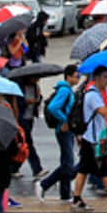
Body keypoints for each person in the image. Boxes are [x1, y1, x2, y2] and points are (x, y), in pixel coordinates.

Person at [71, 65, 107, 212]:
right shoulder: (93, 95)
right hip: (93, 139)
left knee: (83, 168)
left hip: (90, 137)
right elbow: (106, 113)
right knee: (104, 170)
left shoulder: (95, 93)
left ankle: (77, 198)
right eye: (104, 77)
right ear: (96, 78)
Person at [38, 65, 80, 202]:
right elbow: (53, 107)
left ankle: (65, 193)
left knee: (66, 161)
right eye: (75, 75)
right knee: (68, 163)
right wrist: (65, 120)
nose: (78, 78)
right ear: (68, 76)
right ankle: (44, 184)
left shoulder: (66, 90)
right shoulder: (65, 91)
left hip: (66, 130)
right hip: (63, 130)